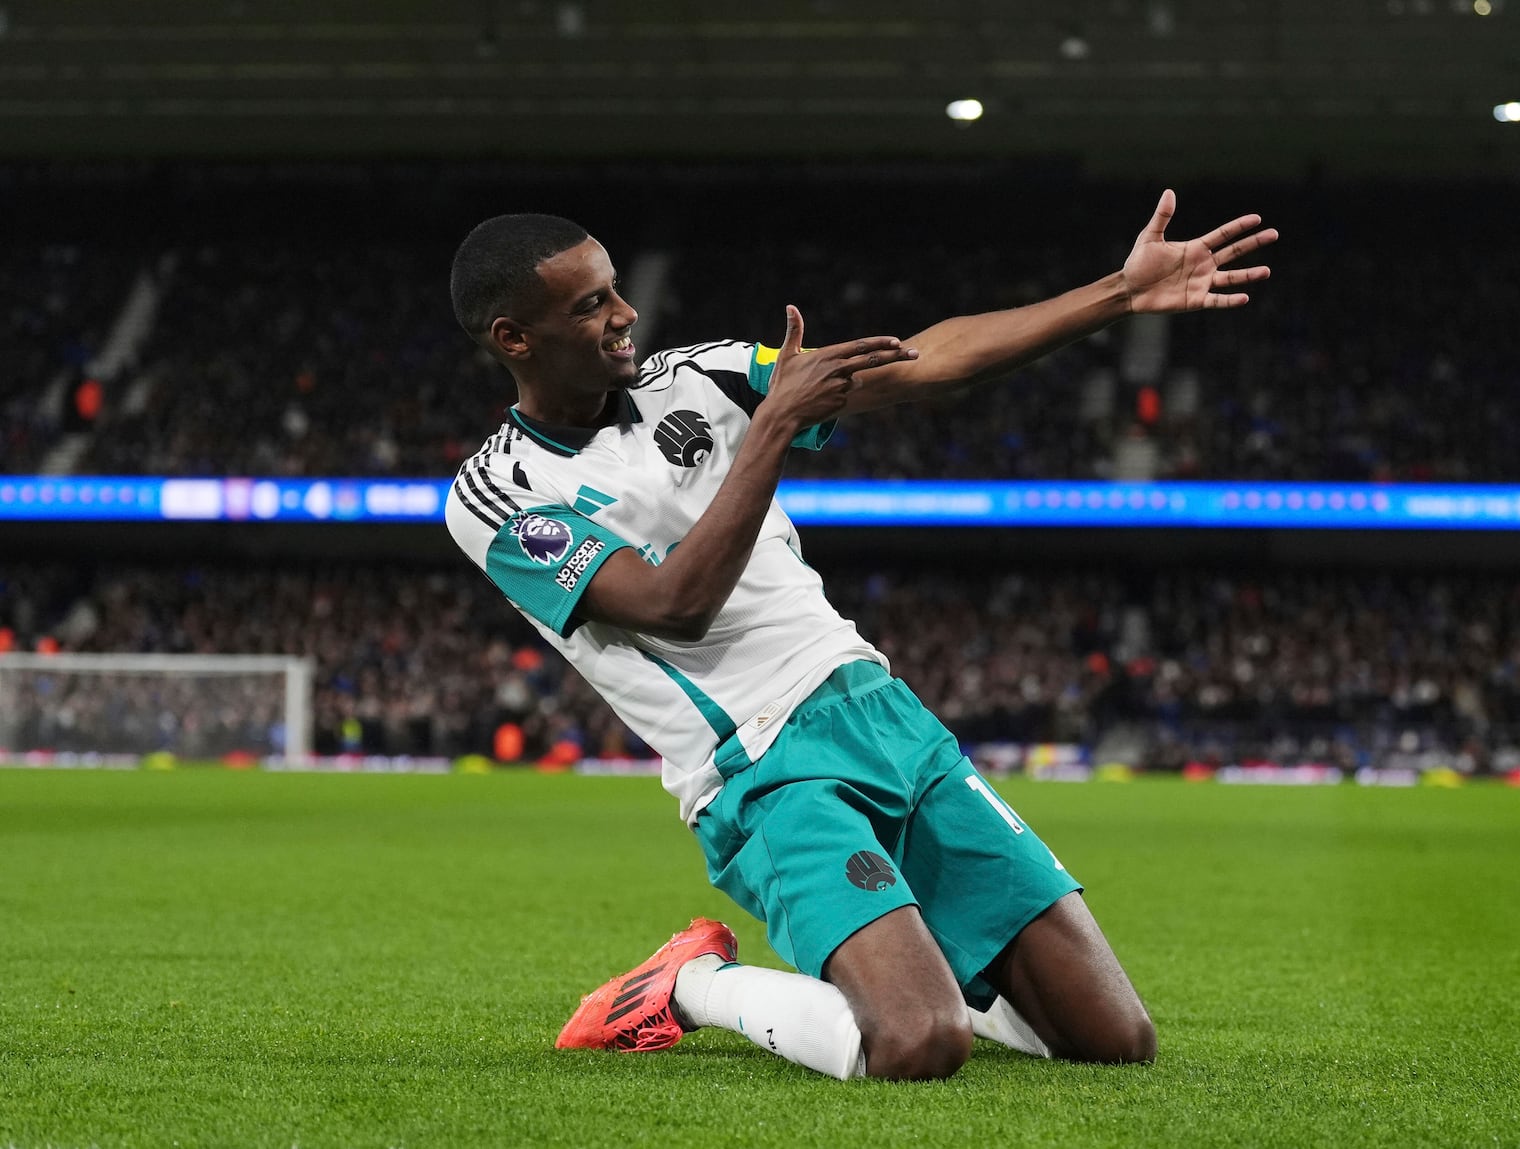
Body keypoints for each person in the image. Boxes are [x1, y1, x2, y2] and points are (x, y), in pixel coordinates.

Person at [444, 191, 1275, 1080]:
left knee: (1115, 1041)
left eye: (615, 288)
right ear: (512, 339)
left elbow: (922, 363)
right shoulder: (499, 493)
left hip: (884, 712)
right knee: (918, 1043)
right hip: (761, 766)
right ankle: (691, 982)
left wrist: (1117, 293)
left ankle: (919, 974)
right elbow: (673, 603)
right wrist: (773, 427)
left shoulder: (700, 372)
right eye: (590, 304)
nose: (624, 313)